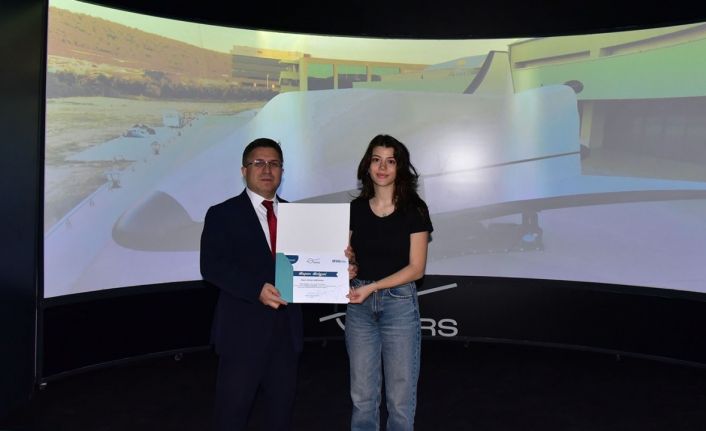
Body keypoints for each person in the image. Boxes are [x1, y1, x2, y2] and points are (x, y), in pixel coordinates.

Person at [200, 138, 301, 431]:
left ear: (282, 171)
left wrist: (343, 265)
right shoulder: (222, 214)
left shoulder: (300, 217)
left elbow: (312, 267)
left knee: (280, 418)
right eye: (259, 163)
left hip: (286, 335)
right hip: (240, 335)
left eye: (274, 164)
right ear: (244, 170)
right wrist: (256, 289)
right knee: (231, 417)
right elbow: (212, 266)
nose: (267, 169)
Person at [346, 134, 433, 431]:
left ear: (400, 167)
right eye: (376, 160)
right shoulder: (355, 209)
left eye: (390, 161)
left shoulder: (415, 209)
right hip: (359, 306)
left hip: (399, 304)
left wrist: (372, 287)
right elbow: (349, 258)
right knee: (362, 395)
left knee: (400, 397)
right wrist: (348, 266)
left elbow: (416, 269)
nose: (382, 167)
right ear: (367, 165)